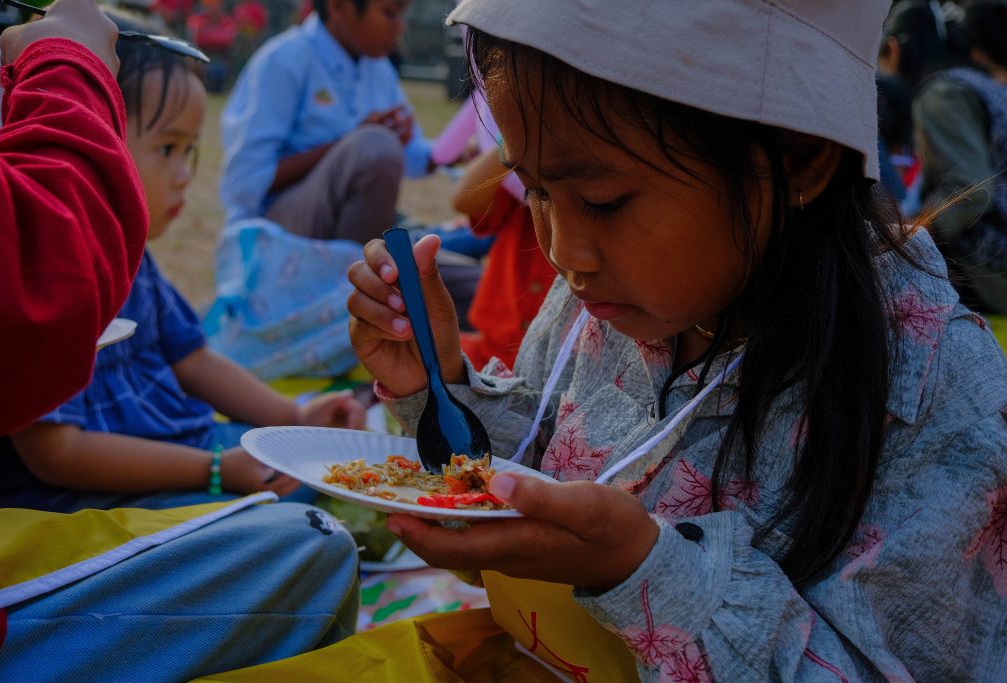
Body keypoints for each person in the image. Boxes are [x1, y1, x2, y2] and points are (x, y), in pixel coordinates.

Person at [341, 0, 1007, 679]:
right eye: (537, 191)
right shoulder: (605, 301)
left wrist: (646, 574)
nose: (565, 251)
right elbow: (545, 468)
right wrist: (439, 385)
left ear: (800, 158)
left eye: (604, 201)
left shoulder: (929, 399)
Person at [0, 6, 358, 680]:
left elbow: (195, 357)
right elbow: (58, 452)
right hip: (90, 496)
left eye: (191, 151)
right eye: (165, 150)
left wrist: (293, 417)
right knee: (301, 525)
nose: (185, 173)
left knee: (312, 469)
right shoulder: (59, 263)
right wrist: (216, 472)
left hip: (183, 450)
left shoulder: (138, 262)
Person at [219, 0, 430, 242]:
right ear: (339, 7)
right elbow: (245, 183)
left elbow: (414, 156)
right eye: (390, 13)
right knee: (373, 145)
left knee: (465, 278)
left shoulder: (377, 67)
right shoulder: (285, 60)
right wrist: (349, 145)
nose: (401, 27)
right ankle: (357, 274)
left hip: (349, 224)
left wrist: (462, 152)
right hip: (273, 228)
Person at [913, 1, 1007, 313]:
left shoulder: (946, 94)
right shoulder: (994, 91)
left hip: (986, 282)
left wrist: (913, 232)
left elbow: (972, 189)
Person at [453, 146, 555, 369]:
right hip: (493, 351)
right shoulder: (525, 175)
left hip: (554, 370)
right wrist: (514, 136)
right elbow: (463, 198)